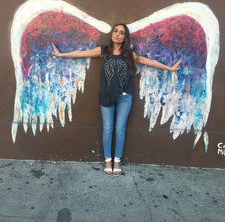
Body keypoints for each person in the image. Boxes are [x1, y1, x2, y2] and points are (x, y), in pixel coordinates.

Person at [52, 23, 181, 176]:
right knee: (108, 128)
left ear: (125, 37)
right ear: (112, 34)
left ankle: (117, 161)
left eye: (121, 33)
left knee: (120, 129)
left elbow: (150, 62)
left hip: (125, 97)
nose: (117, 34)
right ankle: (108, 160)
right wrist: (61, 55)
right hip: (106, 96)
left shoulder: (129, 55)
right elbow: (81, 53)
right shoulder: (103, 51)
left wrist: (170, 68)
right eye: (116, 31)